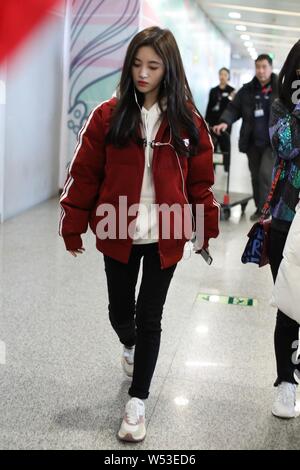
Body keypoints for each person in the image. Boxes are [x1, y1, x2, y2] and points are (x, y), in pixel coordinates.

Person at [59, 26, 219, 442]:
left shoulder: (187, 122)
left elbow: (200, 183)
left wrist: (203, 230)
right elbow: (85, 174)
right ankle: (128, 344)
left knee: (151, 317)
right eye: (136, 64)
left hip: (167, 233)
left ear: (169, 69)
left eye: (153, 65)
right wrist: (73, 225)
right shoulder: (109, 116)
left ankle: (138, 402)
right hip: (117, 230)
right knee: (119, 312)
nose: (142, 73)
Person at [268, 40, 300, 419]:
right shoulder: (280, 106)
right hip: (287, 218)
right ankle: (285, 384)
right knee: (290, 308)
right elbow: (288, 145)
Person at [213, 55, 278, 221]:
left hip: (272, 143)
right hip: (252, 143)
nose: (261, 71)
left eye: (264, 67)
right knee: (255, 177)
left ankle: (266, 211)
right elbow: (233, 108)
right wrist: (225, 122)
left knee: (265, 175)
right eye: (258, 67)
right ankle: (259, 208)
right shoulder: (247, 89)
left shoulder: (280, 88)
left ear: (271, 68)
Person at [205, 67, 235, 171]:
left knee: (225, 144)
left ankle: (226, 165)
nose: (222, 77)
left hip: (225, 123)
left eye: (225, 75)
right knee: (212, 144)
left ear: (228, 77)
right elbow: (209, 106)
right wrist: (206, 121)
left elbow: (233, 108)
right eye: (221, 74)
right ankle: (211, 166)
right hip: (213, 121)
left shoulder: (232, 91)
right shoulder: (213, 91)